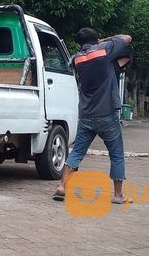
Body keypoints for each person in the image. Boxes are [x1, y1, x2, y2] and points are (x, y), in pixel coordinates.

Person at [53, 28, 132, 204]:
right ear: (96, 39)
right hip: (107, 113)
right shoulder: (105, 50)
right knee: (116, 154)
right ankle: (118, 195)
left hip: (86, 114)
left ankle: (62, 186)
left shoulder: (75, 59)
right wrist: (105, 40)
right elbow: (127, 38)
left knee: (77, 152)